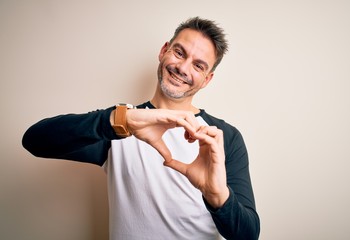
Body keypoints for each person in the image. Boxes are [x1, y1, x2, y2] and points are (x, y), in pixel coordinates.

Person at [22, 17, 260, 240]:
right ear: (163, 51)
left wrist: (217, 195)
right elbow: (34, 140)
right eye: (179, 52)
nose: (183, 68)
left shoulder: (222, 137)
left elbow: (248, 234)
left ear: (207, 79)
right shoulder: (122, 122)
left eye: (198, 65)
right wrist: (119, 120)